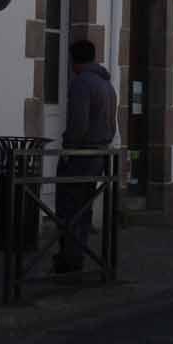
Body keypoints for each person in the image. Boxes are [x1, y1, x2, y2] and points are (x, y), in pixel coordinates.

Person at [53, 39, 118, 275]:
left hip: (81, 153)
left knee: (69, 206)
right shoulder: (107, 85)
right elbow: (111, 124)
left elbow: (78, 124)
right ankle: (78, 254)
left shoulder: (82, 83)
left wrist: (68, 148)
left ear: (75, 61)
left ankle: (70, 257)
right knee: (84, 206)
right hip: (100, 153)